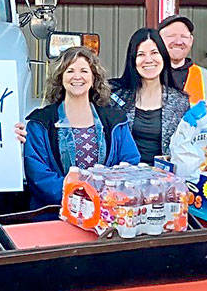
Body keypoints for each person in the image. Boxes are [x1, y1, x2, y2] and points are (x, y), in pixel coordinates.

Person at [23, 47, 139, 208]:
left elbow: (130, 161)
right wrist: (78, 196)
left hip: (107, 214)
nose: (77, 77)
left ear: (93, 78)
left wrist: (108, 194)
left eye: (84, 71)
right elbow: (38, 175)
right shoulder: (40, 122)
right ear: (60, 77)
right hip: (55, 216)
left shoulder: (115, 121)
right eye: (70, 71)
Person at [110, 27, 191, 164]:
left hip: (164, 180)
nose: (148, 60)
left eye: (154, 53)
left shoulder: (180, 101)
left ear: (163, 57)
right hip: (123, 178)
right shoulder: (116, 98)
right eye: (141, 54)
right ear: (133, 60)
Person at [157, 15, 207, 133]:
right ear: (158, 40)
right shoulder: (149, 74)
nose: (178, 41)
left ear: (191, 41)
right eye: (171, 36)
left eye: (184, 36)